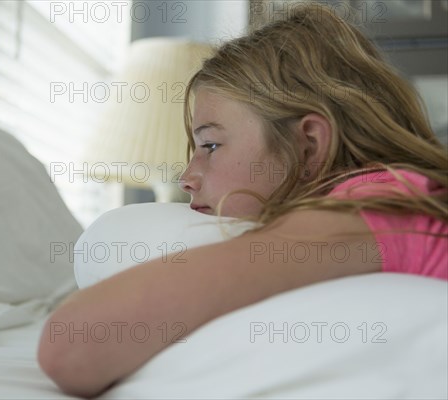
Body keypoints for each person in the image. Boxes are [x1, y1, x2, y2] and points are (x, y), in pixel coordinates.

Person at [38, 4, 447, 397]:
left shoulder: (372, 207)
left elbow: (73, 346)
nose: (186, 177)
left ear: (308, 146)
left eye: (211, 145)